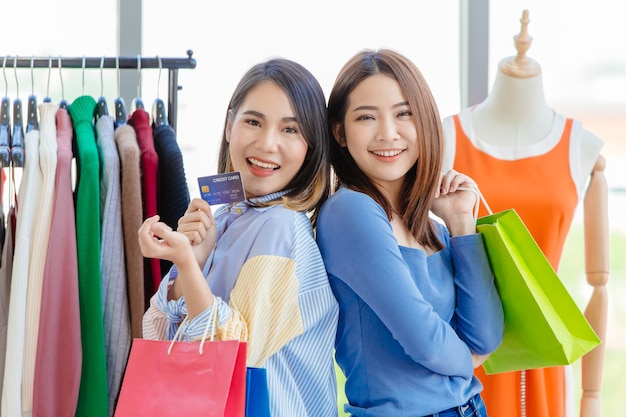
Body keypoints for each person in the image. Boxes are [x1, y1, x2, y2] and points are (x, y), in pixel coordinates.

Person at [138, 58, 339, 417]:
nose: (267, 143)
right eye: (253, 121)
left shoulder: (282, 227)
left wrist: (185, 261)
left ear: (312, 146)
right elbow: (162, 335)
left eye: (290, 130)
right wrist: (193, 263)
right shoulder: (228, 216)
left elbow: (233, 354)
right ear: (230, 124)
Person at [316, 48, 504, 417]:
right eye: (366, 117)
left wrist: (461, 223)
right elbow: (428, 343)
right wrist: (471, 359)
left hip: (469, 408)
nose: (388, 134)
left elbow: (487, 336)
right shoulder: (350, 211)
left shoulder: (430, 225)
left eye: (404, 113)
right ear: (340, 132)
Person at [441, 11, 608, 417]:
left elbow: (599, 284)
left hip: (547, 348)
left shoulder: (579, 146)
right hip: (469, 343)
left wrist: (592, 397)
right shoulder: (446, 138)